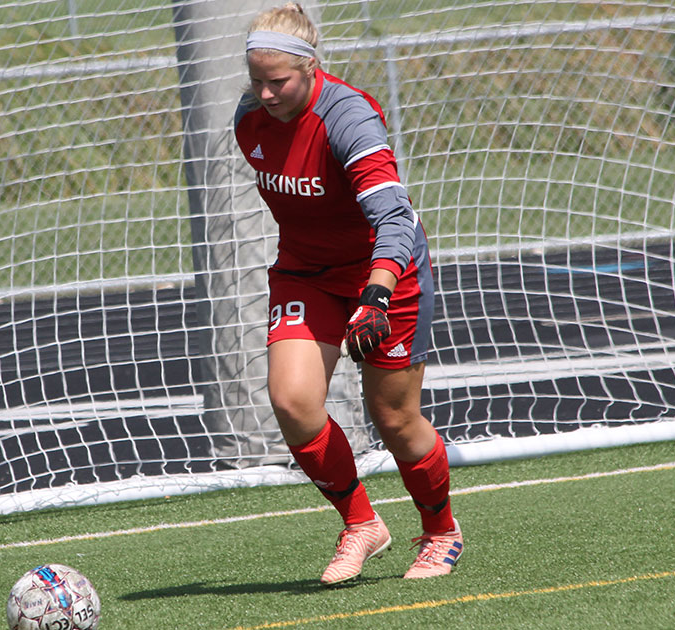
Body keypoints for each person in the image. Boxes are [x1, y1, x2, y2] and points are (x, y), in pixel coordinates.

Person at [233, 3, 462, 584]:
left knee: (394, 417)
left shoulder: (349, 117)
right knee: (291, 401)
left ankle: (441, 533)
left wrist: (377, 294)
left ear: (311, 68)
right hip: (306, 273)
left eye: (277, 81)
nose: (263, 93)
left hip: (385, 273)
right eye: (255, 80)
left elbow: (393, 216)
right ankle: (362, 524)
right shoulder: (249, 119)